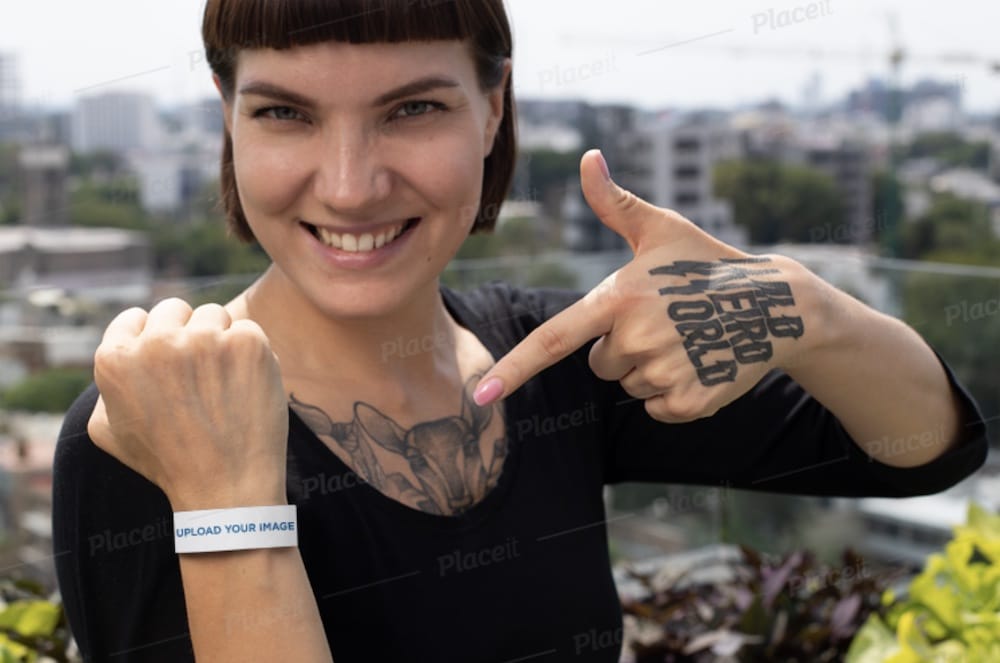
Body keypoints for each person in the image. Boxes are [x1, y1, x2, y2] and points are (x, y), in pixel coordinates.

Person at [51, 1, 988, 661]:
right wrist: (224, 500)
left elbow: (919, 449)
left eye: (412, 108)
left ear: (493, 109)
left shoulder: (554, 356)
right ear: (227, 116)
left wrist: (797, 306)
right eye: (284, 113)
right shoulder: (150, 425)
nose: (347, 184)